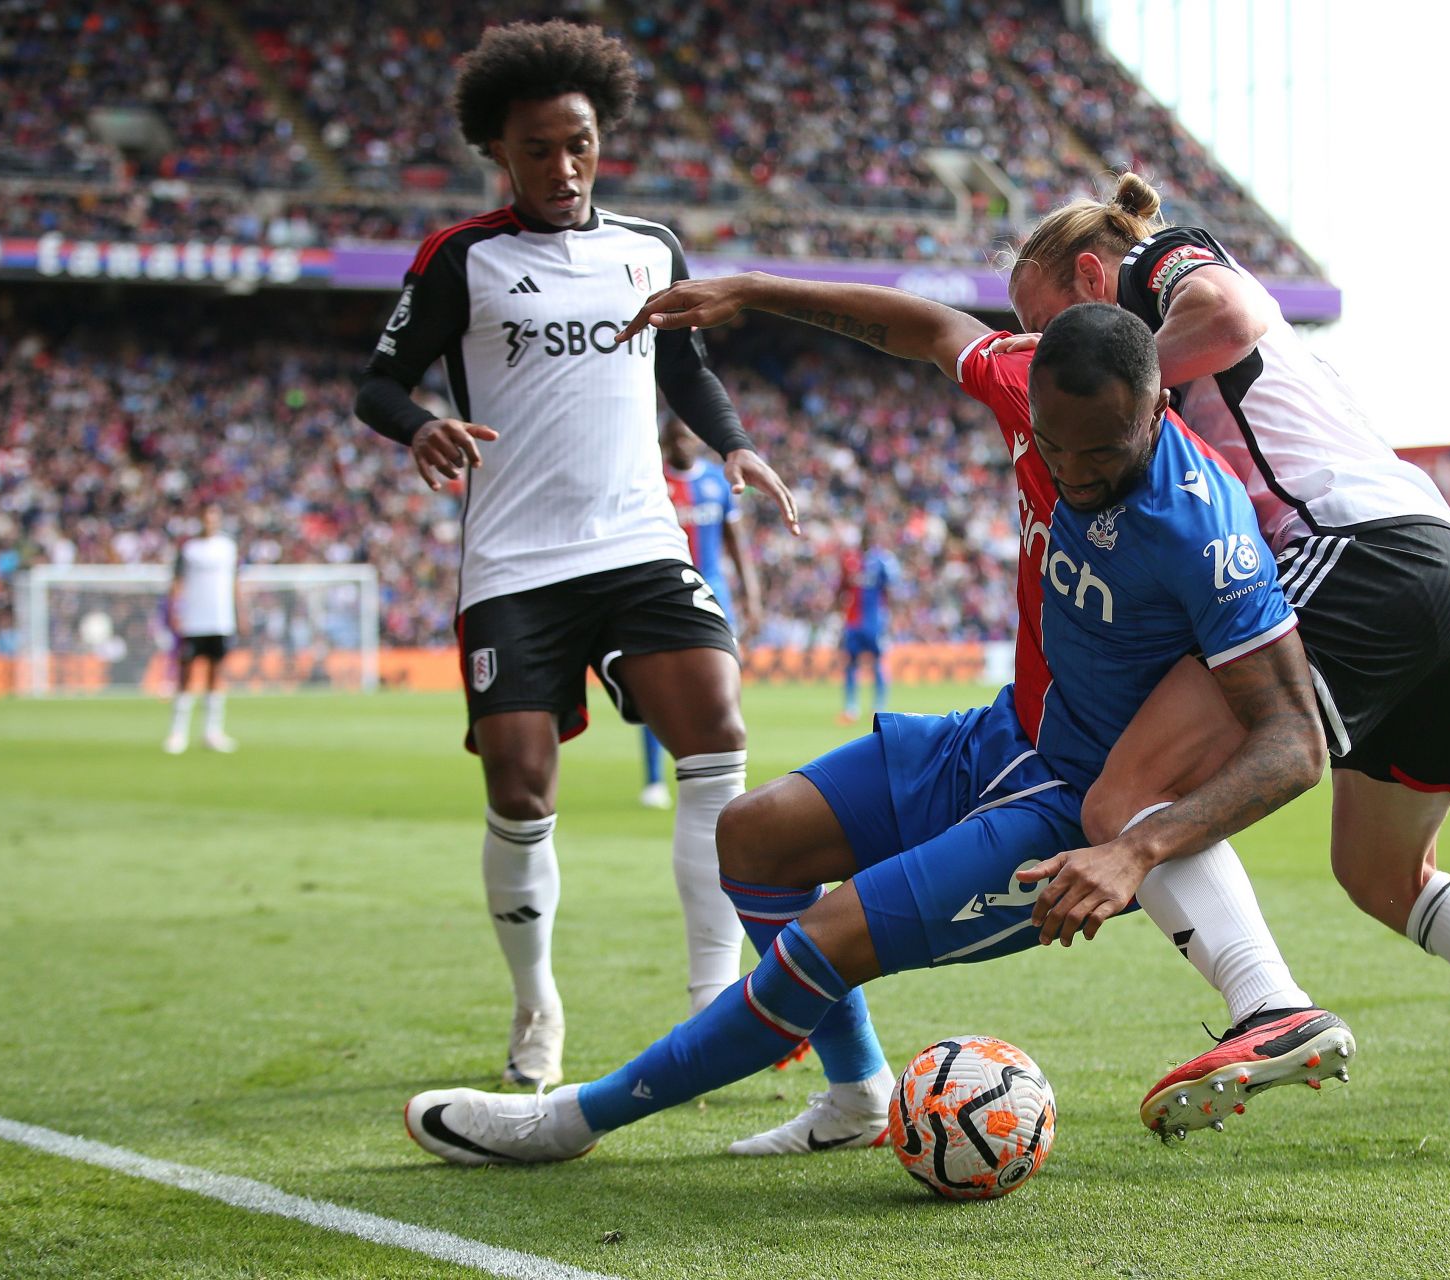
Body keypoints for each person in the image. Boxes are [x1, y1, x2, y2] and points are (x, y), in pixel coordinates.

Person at [403, 302, 1357, 1166]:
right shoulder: (1043, 398)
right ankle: (857, 1091)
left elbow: (1292, 743)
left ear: (1156, 412)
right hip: (998, 736)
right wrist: (756, 289)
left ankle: (572, 1122)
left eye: (1100, 454)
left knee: (822, 940)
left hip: (1064, 808)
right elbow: (928, 330)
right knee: (752, 836)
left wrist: (1135, 849)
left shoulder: (1203, 529)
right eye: (1054, 449)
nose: (1069, 473)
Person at [1002, 173, 1450, 1147]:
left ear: (1088, 272)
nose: (1043, 364)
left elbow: (1232, 312)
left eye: (1043, 326)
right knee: (1384, 871)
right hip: (1448, 567)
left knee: (1122, 802)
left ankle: (1270, 1005)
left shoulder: (1153, 268)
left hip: (1358, 553)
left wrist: (1121, 394)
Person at [352, 20, 800, 1091]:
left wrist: (738, 447)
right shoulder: (460, 258)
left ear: (604, 140)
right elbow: (376, 382)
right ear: (499, 152)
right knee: (519, 783)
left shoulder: (650, 247)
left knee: (719, 733)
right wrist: (419, 427)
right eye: (540, 148)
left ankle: (711, 1002)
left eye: (580, 144)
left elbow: (682, 366)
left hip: (639, 539)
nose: (563, 167)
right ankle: (536, 999)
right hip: (515, 559)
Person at [638, 413, 765, 811]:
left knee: (722, 686)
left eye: (689, 437)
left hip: (714, 593)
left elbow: (735, 543)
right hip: (662, 593)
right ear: (664, 443)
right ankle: (654, 779)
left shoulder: (716, 482)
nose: (682, 444)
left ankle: (722, 778)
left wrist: (753, 595)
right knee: (653, 686)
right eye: (675, 438)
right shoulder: (651, 483)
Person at [164, 504, 238, 755]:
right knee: (186, 674)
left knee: (216, 675)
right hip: (194, 619)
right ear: (200, 520)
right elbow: (176, 582)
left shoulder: (228, 547)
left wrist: (241, 611)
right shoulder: (189, 549)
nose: (210, 522)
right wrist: (175, 611)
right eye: (206, 517)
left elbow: (236, 581)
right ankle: (178, 732)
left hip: (221, 619)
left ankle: (212, 732)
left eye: (214, 517)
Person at [835, 519, 899, 724]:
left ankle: (878, 706)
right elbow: (841, 589)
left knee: (877, 661)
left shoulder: (882, 561)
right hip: (854, 621)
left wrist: (890, 616)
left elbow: (890, 590)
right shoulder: (850, 560)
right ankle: (851, 708)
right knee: (851, 663)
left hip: (874, 621)